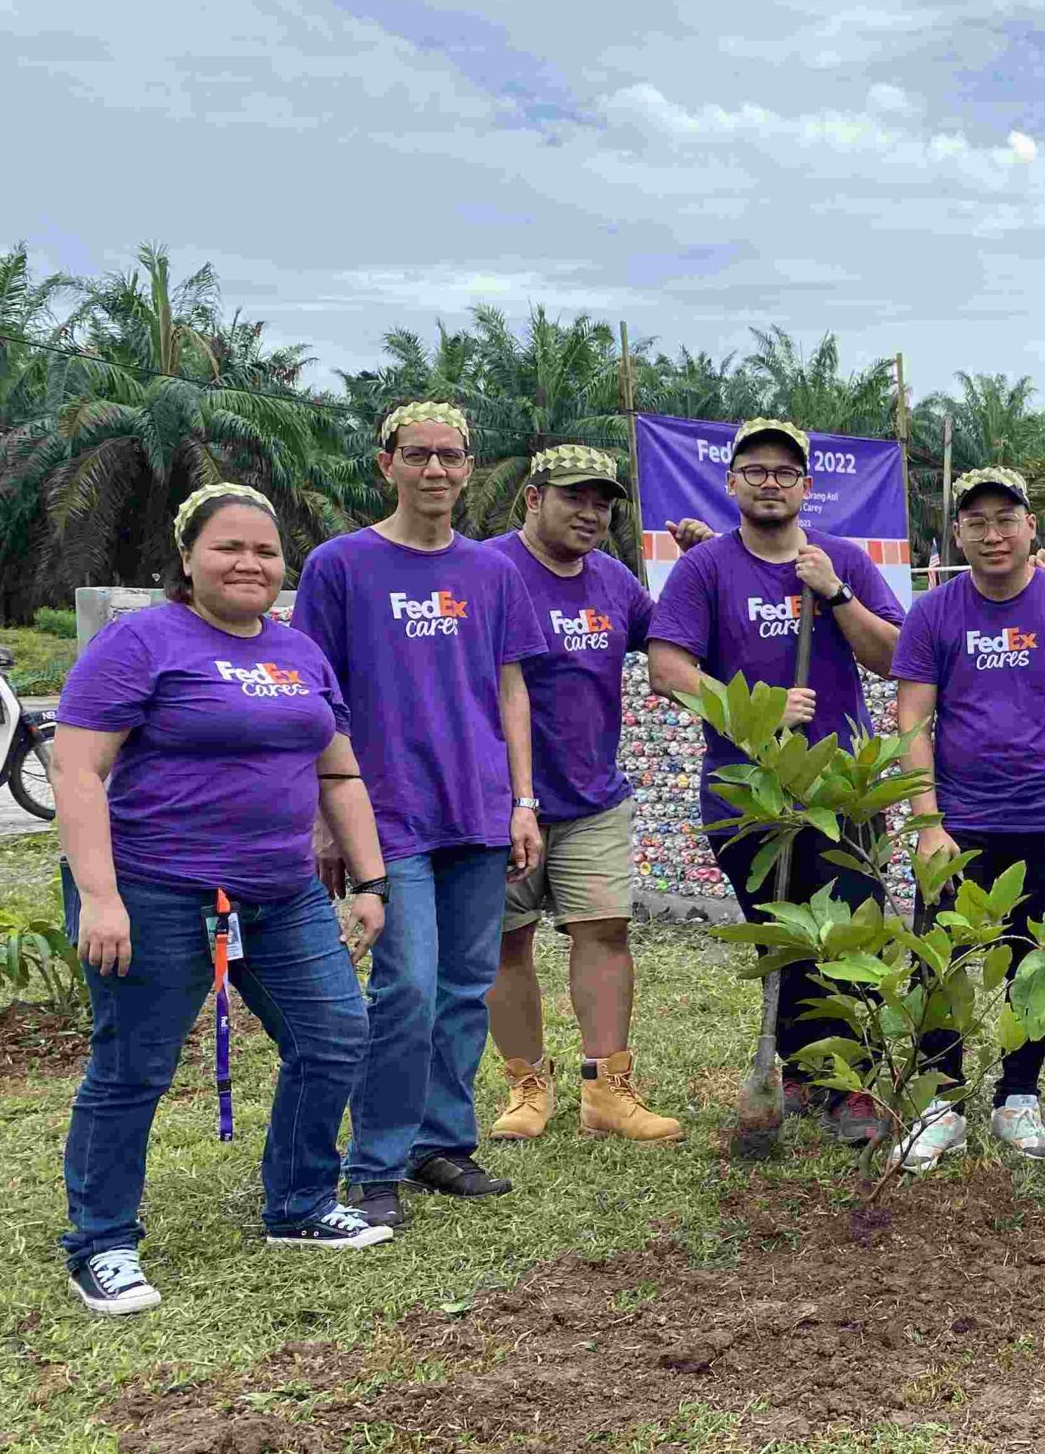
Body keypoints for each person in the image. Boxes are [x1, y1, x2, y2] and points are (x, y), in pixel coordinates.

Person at [50, 486, 396, 1315]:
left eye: (266, 551)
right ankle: (101, 1244)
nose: (249, 563)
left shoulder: (300, 651)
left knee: (336, 1035)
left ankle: (301, 1205)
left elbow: (338, 771)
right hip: (155, 889)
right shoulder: (140, 643)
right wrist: (100, 898)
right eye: (228, 548)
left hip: (280, 893)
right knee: (134, 1065)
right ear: (187, 557)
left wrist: (372, 878)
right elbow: (76, 771)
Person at [295, 401, 543, 1228]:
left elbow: (511, 689)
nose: (434, 470)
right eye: (418, 455)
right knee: (405, 985)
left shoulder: (493, 573)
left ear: (470, 467)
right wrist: (327, 817)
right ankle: (375, 1163)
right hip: (384, 810)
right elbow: (318, 699)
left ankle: (443, 1142)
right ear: (386, 464)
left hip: (475, 807)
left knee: (468, 985)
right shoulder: (340, 566)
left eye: (451, 456)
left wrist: (523, 801)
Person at [648, 418, 906, 1142]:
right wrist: (756, 717)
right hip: (747, 791)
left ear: (806, 488)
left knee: (852, 929)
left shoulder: (843, 560)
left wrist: (835, 595)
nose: (769, 482)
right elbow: (667, 671)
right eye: (755, 470)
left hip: (841, 788)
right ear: (731, 483)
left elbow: (894, 657)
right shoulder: (704, 571)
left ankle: (851, 1083)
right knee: (784, 935)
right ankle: (802, 1071)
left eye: (784, 473)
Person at [892, 466, 1045, 1171]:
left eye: (1006, 519)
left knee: (1035, 962)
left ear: (1030, 529)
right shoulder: (933, 612)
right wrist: (928, 823)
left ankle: (1019, 1097)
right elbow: (912, 720)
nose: (992, 534)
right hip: (959, 823)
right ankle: (941, 1105)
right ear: (958, 532)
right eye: (977, 522)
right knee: (945, 963)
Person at [478, 446, 682, 1146]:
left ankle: (607, 1092)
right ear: (533, 499)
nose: (591, 514)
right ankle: (527, 1085)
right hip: (497, 800)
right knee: (507, 943)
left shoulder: (615, 581)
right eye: (575, 498)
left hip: (593, 796)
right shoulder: (487, 571)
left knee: (604, 932)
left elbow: (672, 639)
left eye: (602, 502)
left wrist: (708, 567)